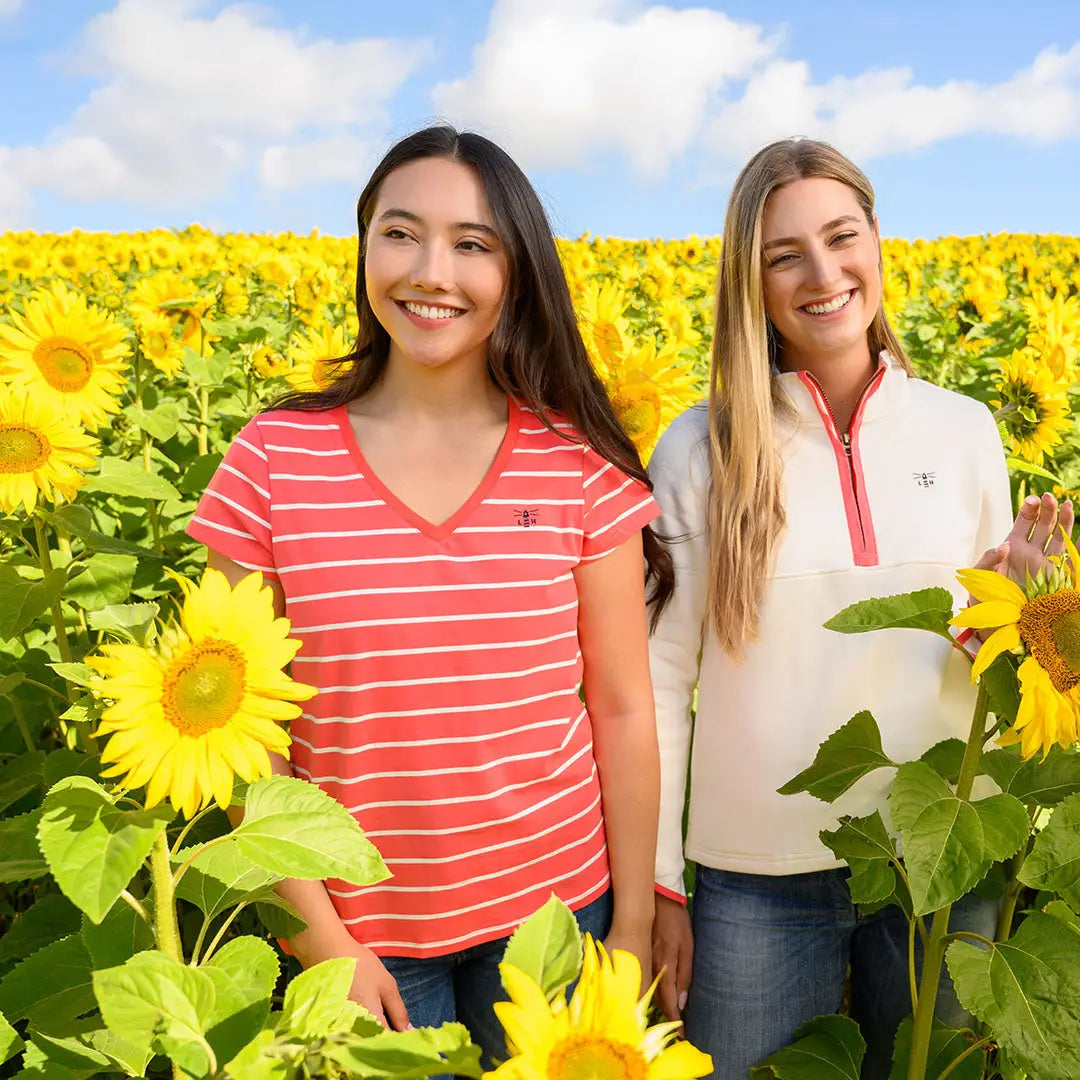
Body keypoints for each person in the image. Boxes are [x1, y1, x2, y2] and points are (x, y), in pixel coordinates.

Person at [186, 126, 664, 1057]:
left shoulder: (575, 463)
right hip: (360, 931)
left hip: (556, 915)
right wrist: (319, 938)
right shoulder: (273, 460)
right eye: (400, 233)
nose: (430, 271)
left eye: (473, 244)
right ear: (364, 246)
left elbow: (620, 706)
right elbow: (238, 734)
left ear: (517, 270)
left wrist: (636, 925)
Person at [646, 138, 1073, 1080]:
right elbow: (662, 677)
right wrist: (660, 882)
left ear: (879, 241)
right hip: (754, 876)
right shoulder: (698, 449)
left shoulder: (965, 429)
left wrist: (1011, 603)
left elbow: (969, 660)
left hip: (939, 856)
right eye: (783, 254)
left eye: (842, 237)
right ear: (748, 280)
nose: (823, 273)